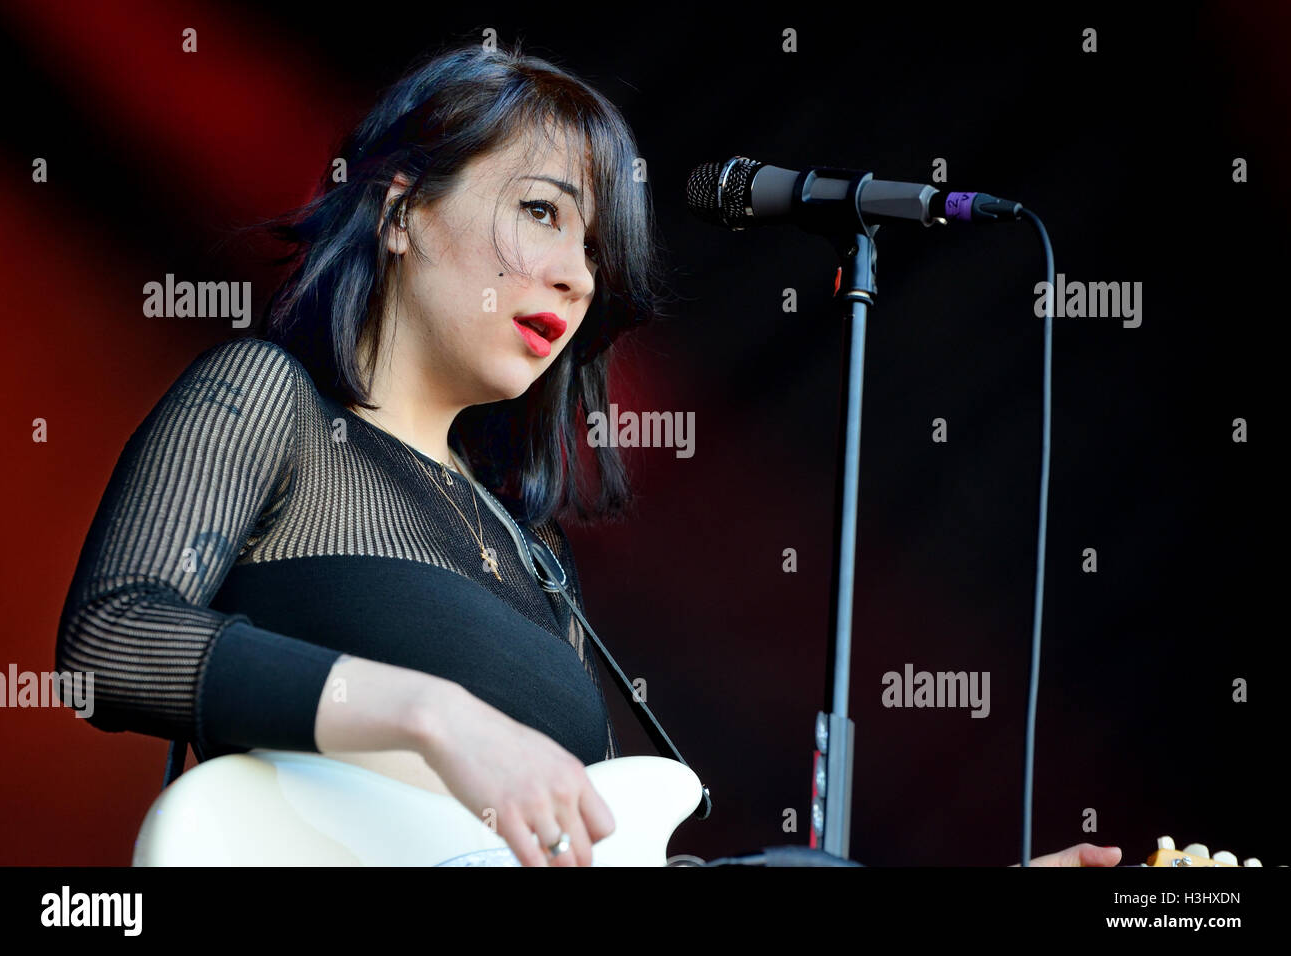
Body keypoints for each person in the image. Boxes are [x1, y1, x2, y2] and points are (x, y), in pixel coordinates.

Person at [55, 39, 1118, 869]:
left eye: (595, 250)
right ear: (399, 213)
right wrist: (436, 717)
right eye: (539, 213)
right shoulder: (267, 401)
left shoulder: (535, 556)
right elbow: (108, 639)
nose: (574, 277)